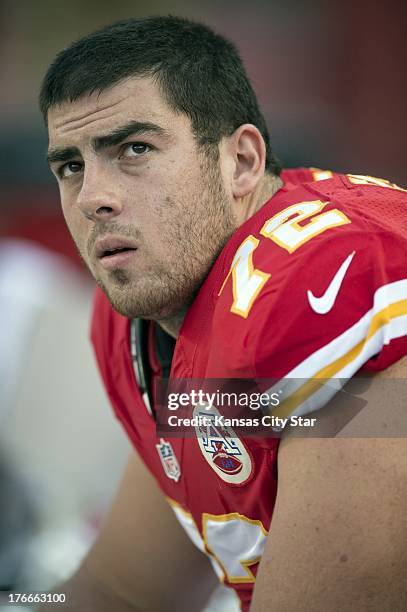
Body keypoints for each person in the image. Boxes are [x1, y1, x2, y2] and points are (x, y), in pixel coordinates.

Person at [39, 16, 407, 611]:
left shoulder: (324, 294)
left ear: (239, 161)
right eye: (70, 166)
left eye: (134, 149)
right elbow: (121, 592)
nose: (91, 199)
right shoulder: (150, 319)